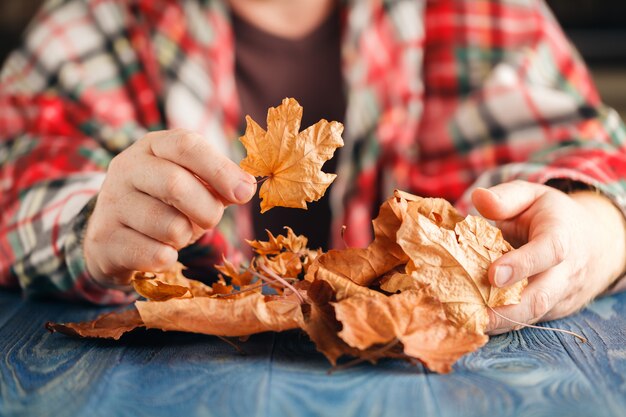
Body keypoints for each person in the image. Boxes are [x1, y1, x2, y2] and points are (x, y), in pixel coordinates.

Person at [0, 0, 625, 335]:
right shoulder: (92, 24)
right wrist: (94, 226)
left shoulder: (483, 13)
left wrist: (593, 232)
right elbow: (22, 184)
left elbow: (600, 154)